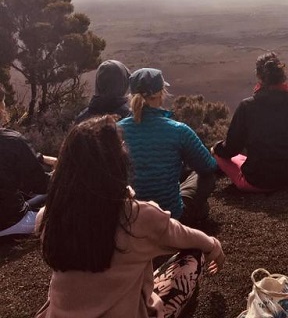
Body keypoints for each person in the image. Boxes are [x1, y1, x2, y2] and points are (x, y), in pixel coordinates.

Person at [35, 115, 224, 318]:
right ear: (117, 162)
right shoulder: (137, 217)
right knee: (193, 254)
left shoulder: (47, 219)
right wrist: (213, 245)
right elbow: (189, 237)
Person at [118, 68, 217, 224]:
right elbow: (209, 166)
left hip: (130, 219)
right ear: (161, 94)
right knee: (204, 175)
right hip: (170, 218)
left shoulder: (116, 131)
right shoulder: (179, 130)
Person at [212, 52, 288, 192]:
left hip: (256, 181)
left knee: (218, 153)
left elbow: (231, 148)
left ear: (259, 76)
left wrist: (216, 148)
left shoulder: (246, 106)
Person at [0, 90, 56, 237]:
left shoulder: (11, 142)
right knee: (59, 204)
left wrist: (41, 158)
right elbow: (41, 185)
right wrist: (62, 173)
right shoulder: (12, 141)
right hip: (10, 222)